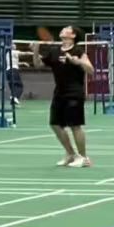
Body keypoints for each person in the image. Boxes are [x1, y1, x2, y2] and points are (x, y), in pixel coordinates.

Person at [41, 25, 95, 167]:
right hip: (59, 93)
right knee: (55, 124)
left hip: (74, 93)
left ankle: (84, 158)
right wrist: (35, 51)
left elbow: (91, 70)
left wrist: (79, 62)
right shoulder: (54, 51)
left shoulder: (78, 51)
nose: (63, 30)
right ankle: (71, 154)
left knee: (75, 125)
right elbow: (38, 64)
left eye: (67, 29)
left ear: (73, 35)